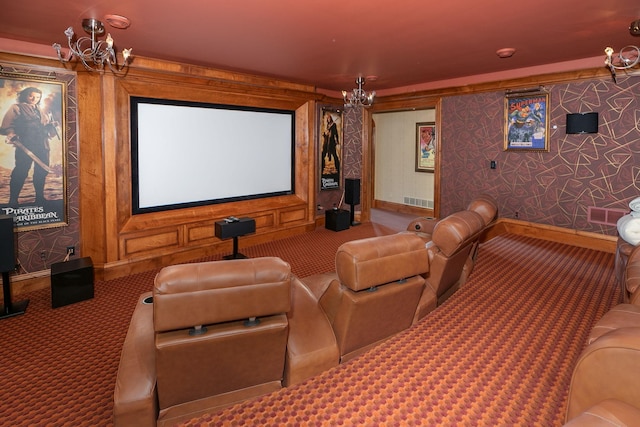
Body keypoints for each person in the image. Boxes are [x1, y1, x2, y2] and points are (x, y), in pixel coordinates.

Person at [0, 87, 57, 205]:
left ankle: (40, 198)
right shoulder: (16, 107)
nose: (34, 99)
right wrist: (11, 134)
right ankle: (13, 200)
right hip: (25, 145)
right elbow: (8, 125)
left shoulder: (40, 110)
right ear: (25, 95)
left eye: (37, 97)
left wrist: (51, 125)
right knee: (21, 171)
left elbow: (45, 127)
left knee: (41, 171)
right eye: (31, 96)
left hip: (43, 145)